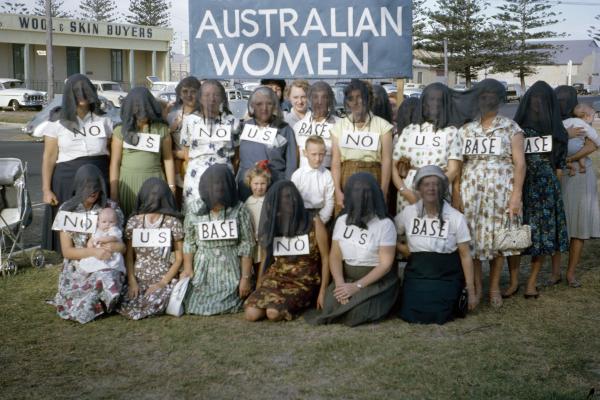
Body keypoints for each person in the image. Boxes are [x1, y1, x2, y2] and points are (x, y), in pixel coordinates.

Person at [456, 79, 526, 307]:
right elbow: (458, 164)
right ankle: (475, 286)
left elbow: (520, 164)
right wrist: (457, 193)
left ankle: (494, 286)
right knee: (473, 239)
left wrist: (516, 195)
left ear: (499, 100)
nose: (487, 100)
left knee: (499, 239)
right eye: (483, 96)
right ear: (478, 99)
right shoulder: (466, 130)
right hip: (471, 192)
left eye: (492, 96)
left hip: (501, 192)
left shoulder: (511, 128)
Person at [305, 173, 399, 327]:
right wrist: (340, 283)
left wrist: (357, 286)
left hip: (374, 281)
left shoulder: (385, 224)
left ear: (374, 194)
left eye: (366, 191)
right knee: (330, 305)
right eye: (355, 191)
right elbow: (335, 255)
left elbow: (385, 264)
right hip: (345, 278)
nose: (360, 196)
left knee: (356, 314)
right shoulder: (342, 221)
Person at [508, 81, 569, 299]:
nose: (537, 103)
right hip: (519, 185)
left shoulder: (558, 131)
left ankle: (531, 282)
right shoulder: (515, 128)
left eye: (541, 100)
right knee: (514, 233)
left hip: (545, 188)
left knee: (542, 237)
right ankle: (514, 281)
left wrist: (555, 193)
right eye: (533, 98)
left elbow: (560, 167)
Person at [41, 73, 114, 253]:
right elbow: (49, 157)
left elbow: (112, 152)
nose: (82, 95)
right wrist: (46, 189)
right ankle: (69, 254)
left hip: (99, 175)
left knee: (99, 218)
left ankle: (96, 251)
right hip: (67, 177)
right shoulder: (56, 123)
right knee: (70, 219)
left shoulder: (104, 120)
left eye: (85, 90)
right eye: (76, 91)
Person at [396, 166, 478, 323]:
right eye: (426, 184)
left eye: (436, 184)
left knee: (441, 313)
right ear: (419, 188)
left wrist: (471, 290)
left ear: (442, 188)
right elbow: (388, 233)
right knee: (411, 312)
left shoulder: (456, 217)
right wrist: (402, 248)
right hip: (417, 273)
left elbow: (465, 255)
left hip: (446, 275)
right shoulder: (408, 213)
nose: (431, 189)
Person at [245, 181, 330, 322]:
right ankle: (274, 302)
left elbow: (326, 258)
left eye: (292, 196)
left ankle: (293, 305)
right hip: (276, 278)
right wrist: (259, 283)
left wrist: (323, 291)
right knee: (251, 314)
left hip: (303, 281)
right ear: (277, 202)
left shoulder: (314, 222)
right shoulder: (274, 223)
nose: (290, 200)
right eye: (285, 197)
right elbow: (266, 256)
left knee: (273, 313)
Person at [52, 164, 126, 324]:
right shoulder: (67, 209)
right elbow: (67, 252)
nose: (93, 192)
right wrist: (93, 253)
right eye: (87, 187)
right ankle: (98, 302)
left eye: (96, 187)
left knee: (106, 276)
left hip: (107, 260)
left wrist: (113, 247)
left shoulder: (111, 208)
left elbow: (123, 246)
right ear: (79, 186)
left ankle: (105, 300)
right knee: (84, 301)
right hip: (78, 264)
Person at [182, 164, 255, 315]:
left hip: (231, 269)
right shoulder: (194, 210)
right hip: (203, 269)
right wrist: (188, 268)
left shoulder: (239, 210)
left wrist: (245, 278)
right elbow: (189, 242)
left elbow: (247, 244)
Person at [391, 83, 464, 216]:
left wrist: (432, 191)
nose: (435, 103)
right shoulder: (409, 131)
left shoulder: (452, 132)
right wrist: (405, 191)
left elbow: (453, 169)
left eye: (439, 100)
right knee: (409, 231)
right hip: (409, 194)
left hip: (438, 194)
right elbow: (393, 166)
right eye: (431, 99)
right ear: (423, 102)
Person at [548, 103, 600, 288]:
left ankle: (570, 273)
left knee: (578, 225)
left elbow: (593, 145)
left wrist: (569, 159)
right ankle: (556, 272)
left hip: (579, 177)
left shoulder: (578, 125)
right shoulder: (559, 124)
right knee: (558, 225)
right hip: (561, 175)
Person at [117, 178, 184, 320]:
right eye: (150, 194)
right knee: (126, 300)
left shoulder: (172, 222)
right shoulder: (134, 222)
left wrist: (163, 282)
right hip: (139, 276)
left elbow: (179, 259)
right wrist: (132, 281)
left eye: (158, 194)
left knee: (155, 301)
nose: (154, 198)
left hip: (163, 276)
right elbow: (129, 257)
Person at [109, 87, 176, 218]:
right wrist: (114, 192)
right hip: (127, 184)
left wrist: (171, 186)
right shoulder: (120, 131)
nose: (142, 113)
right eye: (137, 109)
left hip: (155, 183)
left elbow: (168, 160)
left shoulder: (162, 129)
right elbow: (115, 163)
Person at [330, 79, 394, 213]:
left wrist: (383, 191)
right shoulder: (339, 126)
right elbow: (335, 162)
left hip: (374, 176)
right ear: (347, 102)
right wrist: (337, 191)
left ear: (368, 99)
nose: (356, 102)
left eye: (360, 97)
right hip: (346, 178)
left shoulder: (383, 126)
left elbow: (387, 161)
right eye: (351, 98)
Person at [180, 79, 240, 211]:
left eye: (216, 95)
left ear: (222, 99)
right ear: (200, 98)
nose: (211, 99)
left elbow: (237, 155)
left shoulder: (232, 122)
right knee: (196, 212)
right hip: (196, 176)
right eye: (207, 95)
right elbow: (186, 153)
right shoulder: (190, 121)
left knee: (224, 212)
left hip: (224, 175)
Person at [236, 86, 297, 200]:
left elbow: (291, 164)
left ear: (274, 105)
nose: (264, 108)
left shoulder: (285, 129)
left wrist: (286, 188)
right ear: (252, 106)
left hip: (276, 188)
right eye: (259, 104)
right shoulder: (243, 127)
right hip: (246, 189)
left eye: (269, 103)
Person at [167, 76, 202, 205]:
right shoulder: (171, 116)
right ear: (179, 94)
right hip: (175, 170)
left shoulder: (206, 117)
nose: (189, 95)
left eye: (193, 91)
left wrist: (178, 154)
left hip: (197, 169)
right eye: (185, 91)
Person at [293, 81, 340, 168]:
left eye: (324, 97)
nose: (319, 102)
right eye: (315, 97)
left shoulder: (339, 125)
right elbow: (295, 159)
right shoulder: (298, 126)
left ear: (330, 100)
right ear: (310, 99)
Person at [291, 136, 335, 225]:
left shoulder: (328, 175)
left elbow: (330, 201)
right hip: (301, 215)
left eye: (321, 154)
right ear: (305, 153)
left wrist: (321, 220)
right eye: (314, 154)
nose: (318, 159)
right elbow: (293, 200)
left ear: (325, 153)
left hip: (321, 215)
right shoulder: (297, 175)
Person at [78, 207, 125, 274]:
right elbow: (92, 239)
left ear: (116, 222)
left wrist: (101, 239)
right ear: (98, 222)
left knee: (109, 265)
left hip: (110, 255)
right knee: (91, 262)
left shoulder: (114, 230)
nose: (107, 224)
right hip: (96, 253)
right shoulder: (97, 231)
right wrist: (90, 244)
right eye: (104, 222)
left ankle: (104, 271)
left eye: (111, 222)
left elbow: (113, 238)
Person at [244, 161, 271, 275]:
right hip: (253, 240)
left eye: (263, 183)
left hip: (265, 239)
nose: (259, 187)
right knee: (254, 263)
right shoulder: (247, 202)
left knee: (265, 265)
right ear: (250, 183)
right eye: (256, 183)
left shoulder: (269, 201)